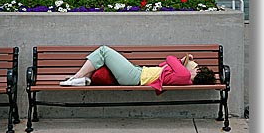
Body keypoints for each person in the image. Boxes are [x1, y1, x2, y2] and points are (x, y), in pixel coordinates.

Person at [60, 45, 216, 94]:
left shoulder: (184, 75)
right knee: (104, 56)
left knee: (104, 50)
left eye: (197, 68)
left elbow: (169, 58)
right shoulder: (184, 78)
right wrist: (182, 61)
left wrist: (180, 61)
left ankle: (76, 77)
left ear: (199, 73)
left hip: (135, 76)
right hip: (136, 74)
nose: (193, 67)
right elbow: (164, 66)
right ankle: (81, 78)